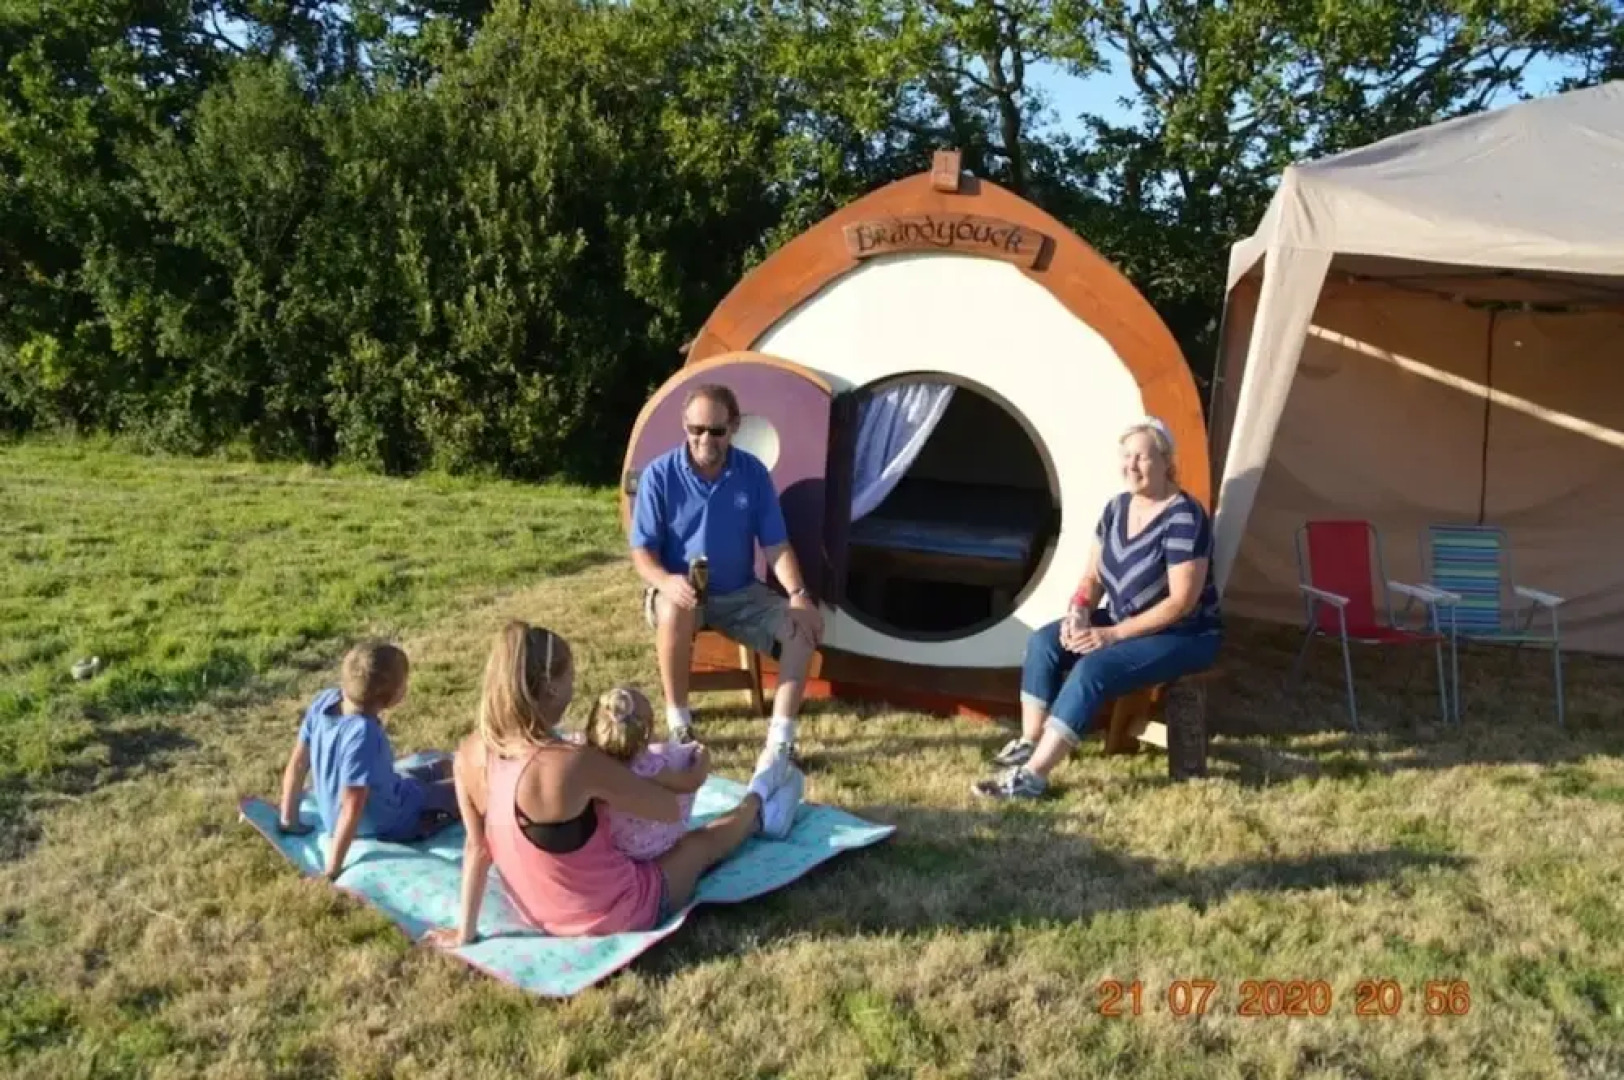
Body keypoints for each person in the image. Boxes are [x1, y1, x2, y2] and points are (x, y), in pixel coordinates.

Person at [423, 621, 804, 946]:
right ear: (551, 688)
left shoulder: (469, 753)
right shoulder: (573, 764)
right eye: (570, 676)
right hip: (614, 912)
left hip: (539, 911)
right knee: (699, 844)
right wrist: (660, 766)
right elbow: (667, 808)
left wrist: (464, 933)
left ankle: (761, 797)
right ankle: (757, 803)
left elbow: (477, 849)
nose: (574, 686)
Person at [973, 417, 1223, 800]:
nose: (1131, 465)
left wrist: (1110, 635)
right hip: (1124, 619)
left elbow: (1180, 602)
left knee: (1094, 668)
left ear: (1166, 460)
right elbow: (1092, 577)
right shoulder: (1116, 508)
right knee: (1045, 641)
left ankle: (1033, 778)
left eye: (1142, 456)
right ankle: (1030, 740)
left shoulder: (1184, 517)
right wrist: (1079, 611)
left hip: (1184, 633)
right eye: (1126, 456)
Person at [628, 382, 824, 791]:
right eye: (696, 429)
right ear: (684, 426)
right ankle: (680, 725)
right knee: (675, 607)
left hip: (740, 591)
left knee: (800, 629)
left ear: (734, 427)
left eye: (716, 431)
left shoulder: (751, 473)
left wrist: (799, 595)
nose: (705, 439)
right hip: (679, 588)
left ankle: (780, 743)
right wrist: (667, 581)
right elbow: (641, 553)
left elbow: (775, 545)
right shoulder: (659, 475)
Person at [276, 640, 460, 878]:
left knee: (445, 765)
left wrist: (288, 819)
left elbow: (298, 764)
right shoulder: (364, 734)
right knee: (467, 789)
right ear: (391, 696)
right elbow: (353, 805)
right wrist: (332, 869)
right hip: (388, 820)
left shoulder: (323, 702)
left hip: (381, 793)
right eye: (404, 682)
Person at [584, 684, 705, 861]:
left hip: (610, 848)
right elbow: (691, 782)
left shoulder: (586, 763)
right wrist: (702, 757)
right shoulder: (650, 766)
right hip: (652, 847)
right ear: (647, 732)